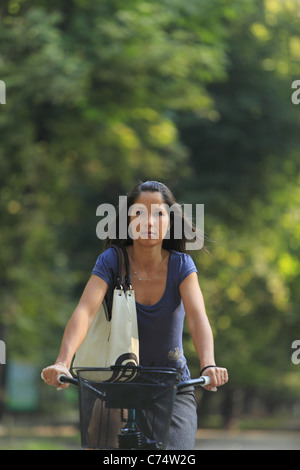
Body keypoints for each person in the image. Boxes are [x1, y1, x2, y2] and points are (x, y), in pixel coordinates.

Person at [41, 180, 228, 450]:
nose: (148, 221)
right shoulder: (112, 260)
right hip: (119, 382)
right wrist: (62, 362)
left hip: (171, 385)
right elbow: (85, 311)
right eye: (139, 213)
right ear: (128, 222)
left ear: (170, 222)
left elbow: (198, 318)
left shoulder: (181, 265)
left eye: (158, 214)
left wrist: (209, 364)